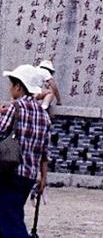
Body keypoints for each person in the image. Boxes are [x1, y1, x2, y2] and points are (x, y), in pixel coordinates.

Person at [0, 64, 50, 238]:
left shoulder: (15, 108)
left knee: (10, 222)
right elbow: (44, 152)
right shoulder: (44, 115)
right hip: (29, 176)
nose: (10, 88)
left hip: (9, 172)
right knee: (11, 215)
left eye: (11, 84)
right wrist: (43, 178)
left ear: (19, 87)